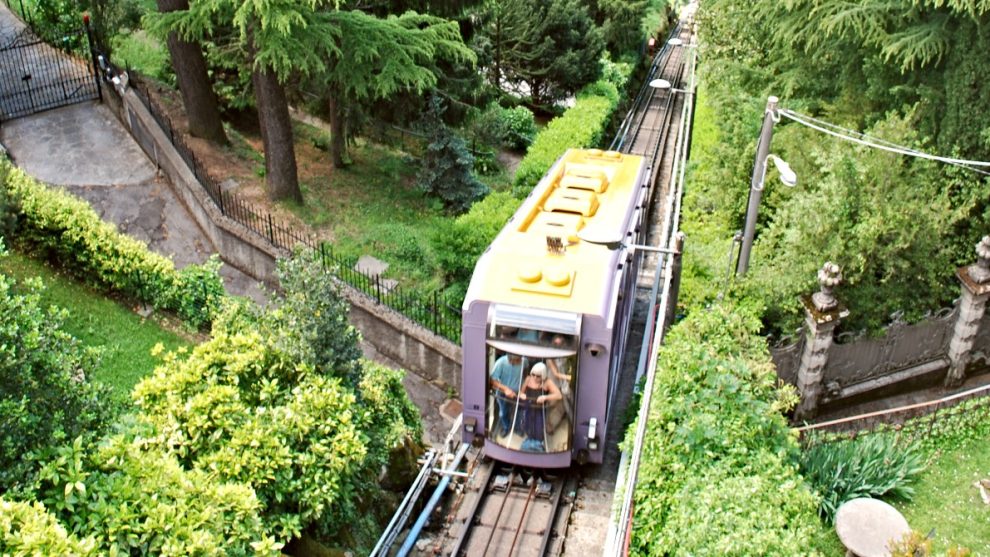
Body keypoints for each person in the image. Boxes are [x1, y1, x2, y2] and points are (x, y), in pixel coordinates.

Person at [518, 362, 562, 451]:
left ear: (543, 375)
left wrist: (545, 397)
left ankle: (538, 444)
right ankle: (530, 441)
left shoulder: (547, 382)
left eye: (538, 376)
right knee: (527, 424)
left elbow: (559, 395)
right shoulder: (528, 379)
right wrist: (522, 395)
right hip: (529, 406)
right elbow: (520, 392)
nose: (534, 377)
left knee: (539, 427)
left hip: (539, 409)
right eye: (533, 374)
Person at [490, 353, 523, 437]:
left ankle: (517, 428)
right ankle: (506, 427)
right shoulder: (500, 363)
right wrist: (505, 389)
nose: (517, 363)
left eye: (518, 361)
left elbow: (525, 372)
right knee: (503, 413)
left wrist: (522, 389)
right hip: (502, 394)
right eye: (515, 361)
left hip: (517, 393)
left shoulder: (523, 361)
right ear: (510, 360)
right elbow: (492, 380)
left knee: (518, 412)